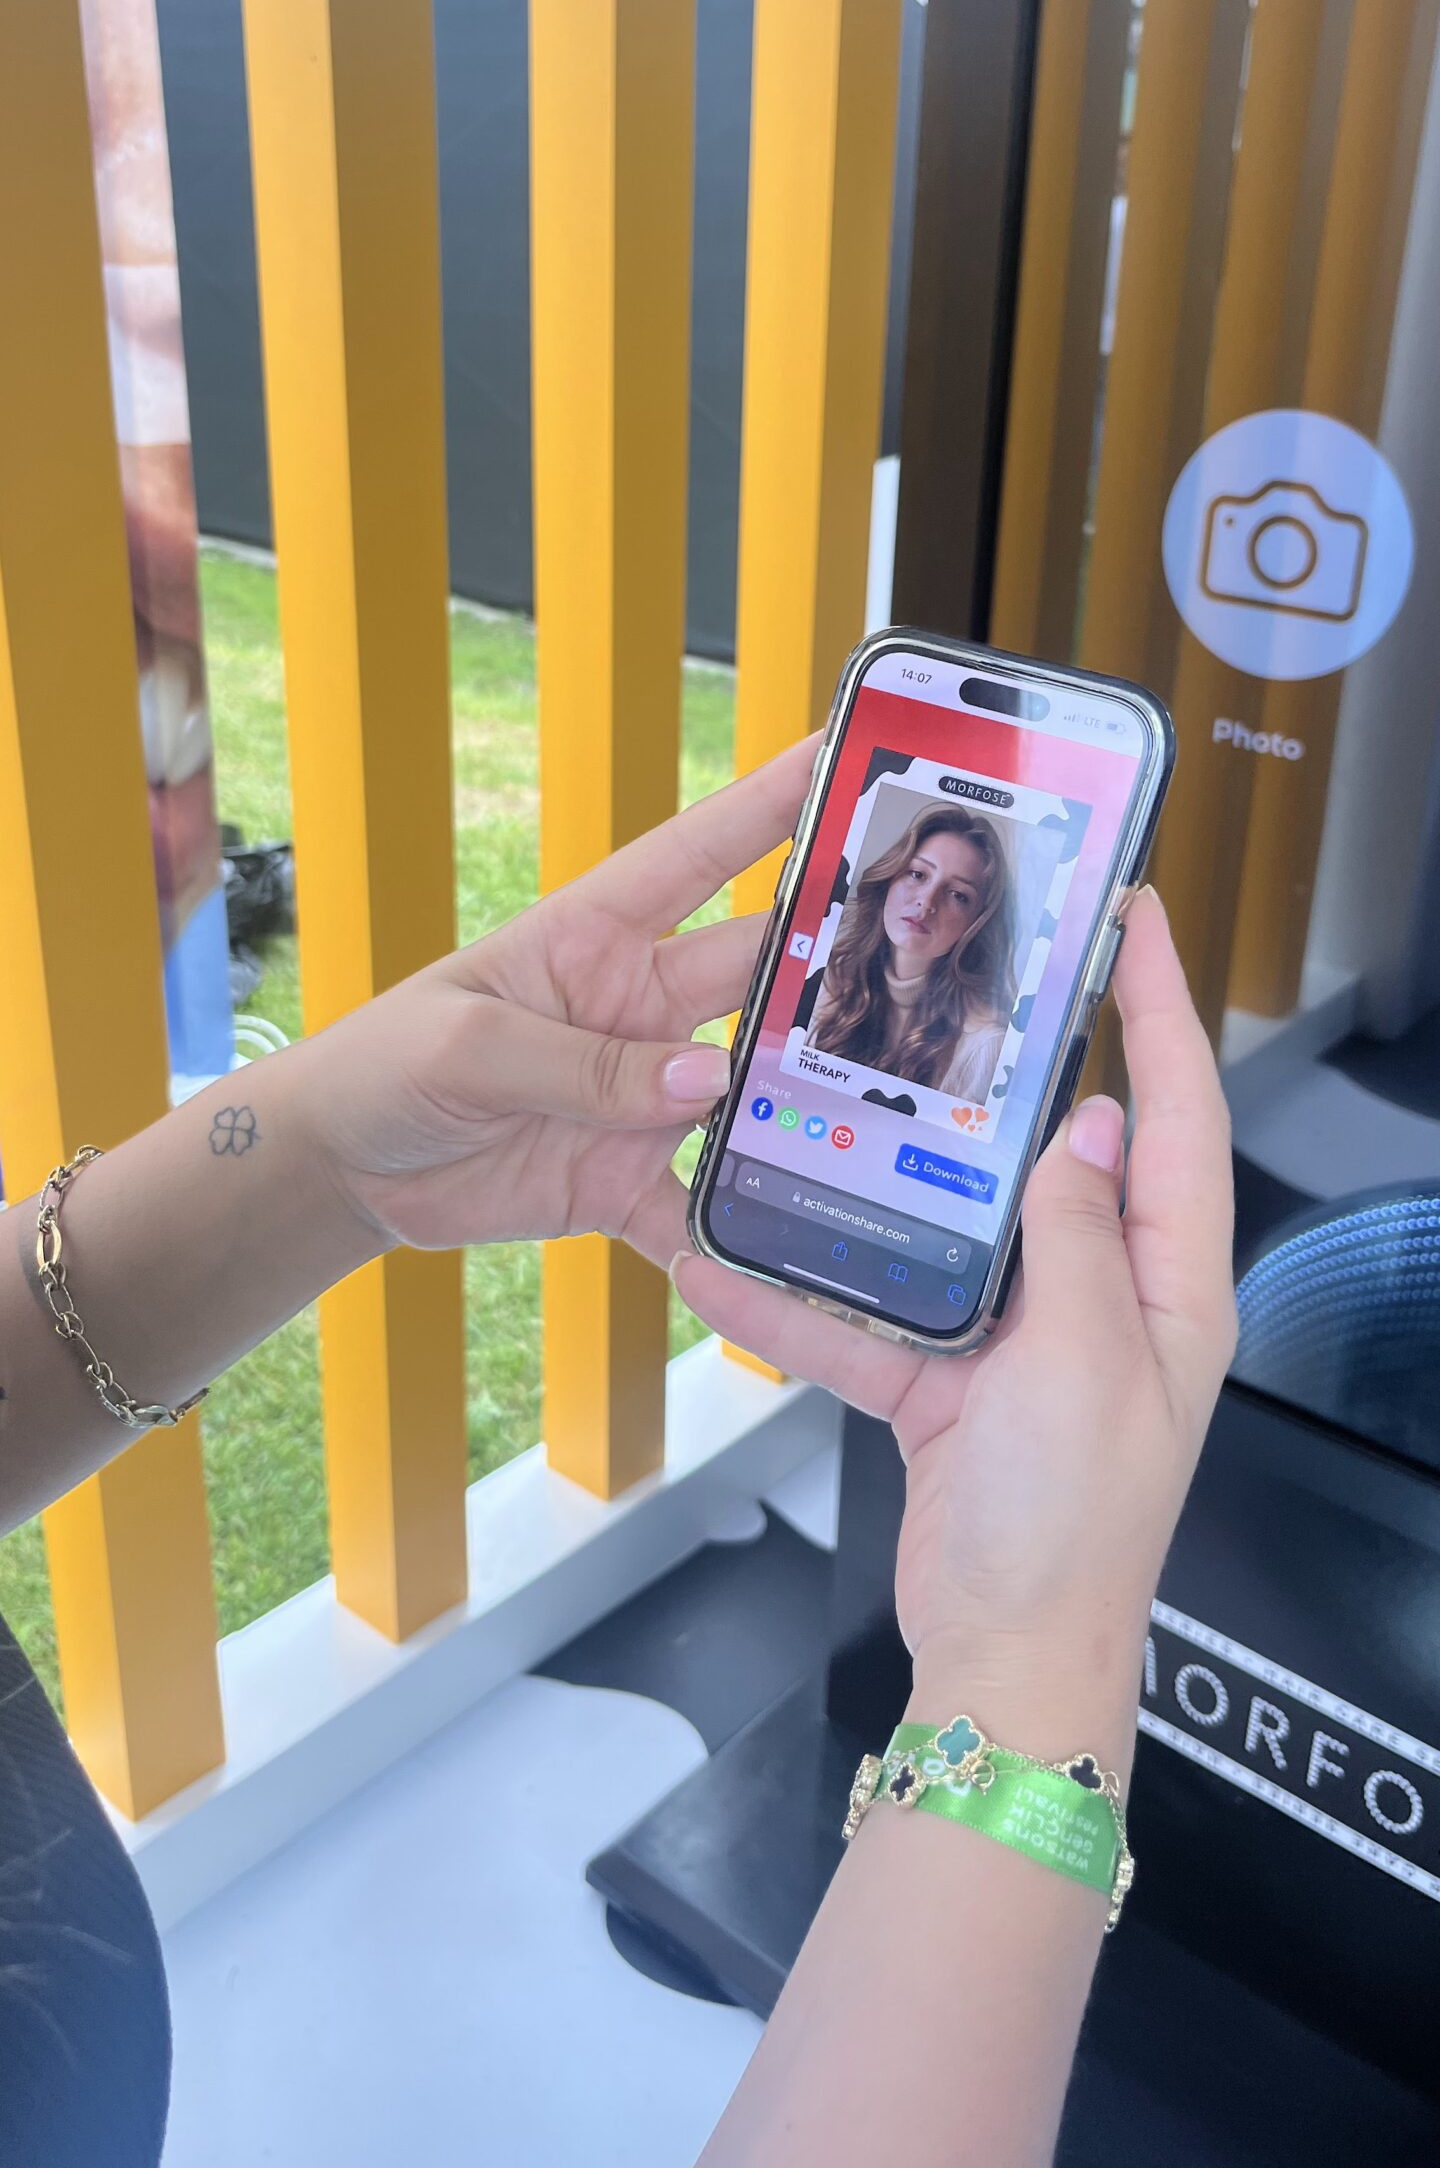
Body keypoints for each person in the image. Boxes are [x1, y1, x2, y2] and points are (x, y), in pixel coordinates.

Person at [0, 741, 1235, 2166]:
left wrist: (325, 1149)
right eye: (920, 874)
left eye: (967, 895)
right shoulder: (836, 996)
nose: (929, 905)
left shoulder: (960, 1032)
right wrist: (1033, 1664)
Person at [809, 805, 1016, 1102]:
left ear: (977, 924)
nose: (927, 902)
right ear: (890, 878)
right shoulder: (824, 984)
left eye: (958, 895)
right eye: (918, 874)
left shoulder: (983, 1048)